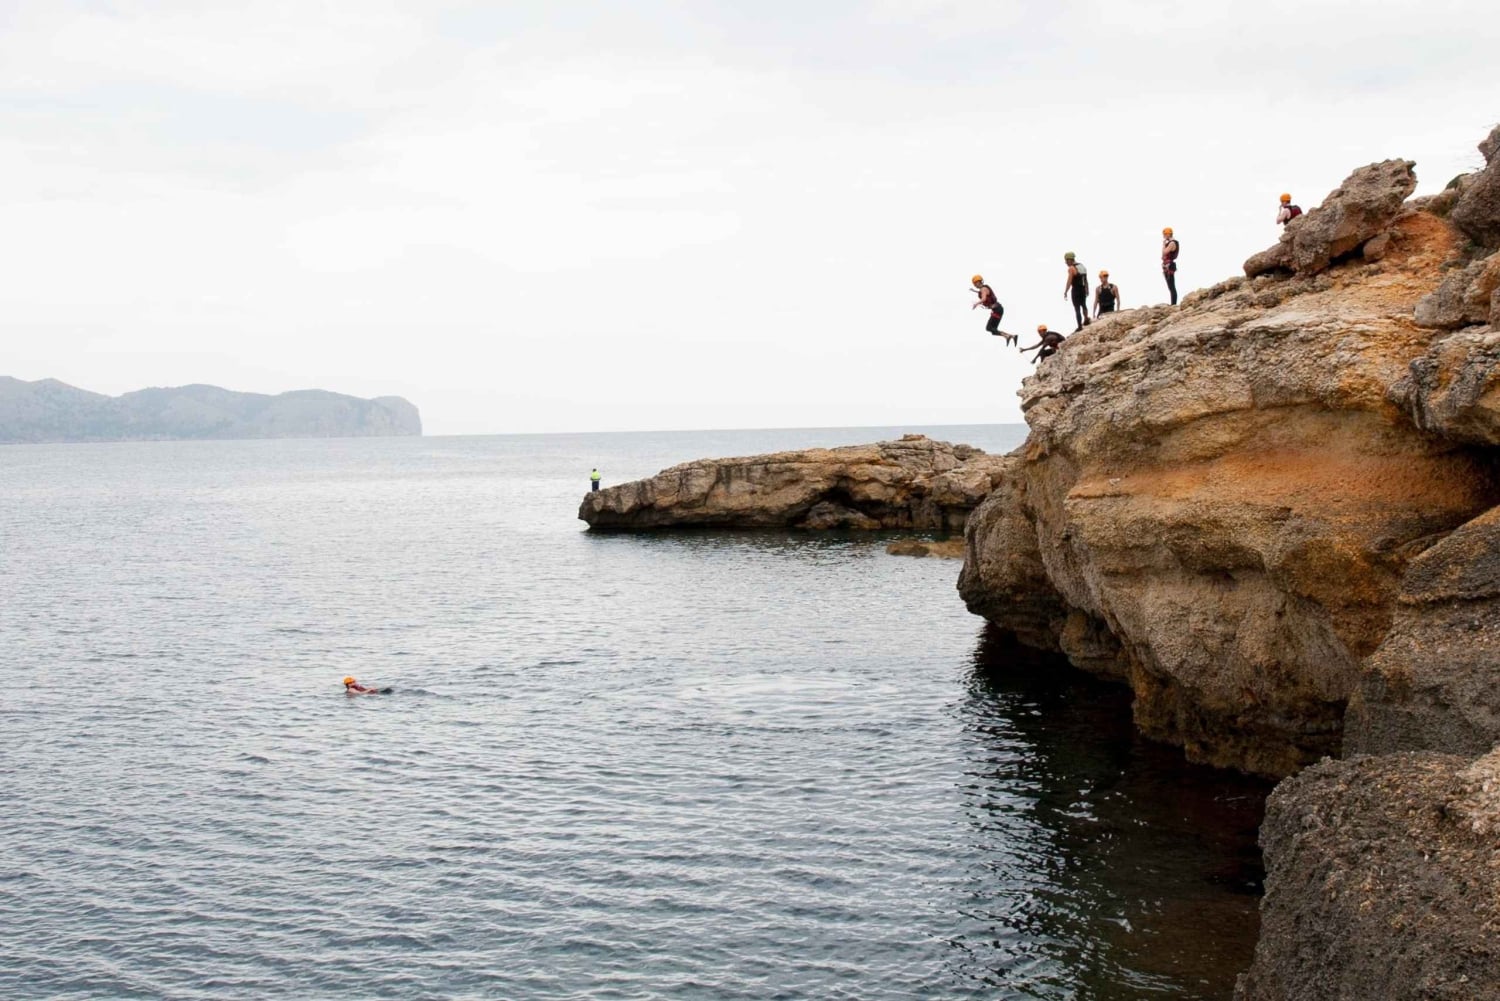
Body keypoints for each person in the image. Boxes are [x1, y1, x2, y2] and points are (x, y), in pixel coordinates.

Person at [970, 274, 1015, 345]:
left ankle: (1008, 336)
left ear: (979, 282)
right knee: (993, 330)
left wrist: (976, 304)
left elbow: (984, 298)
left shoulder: (983, 289)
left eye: (976, 283)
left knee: (989, 328)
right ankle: (1012, 336)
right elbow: (985, 295)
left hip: (997, 310)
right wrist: (974, 291)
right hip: (998, 309)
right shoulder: (983, 289)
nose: (975, 285)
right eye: (974, 284)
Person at [1061, 252, 1090, 330]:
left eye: (1066, 261)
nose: (1066, 263)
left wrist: (1066, 291)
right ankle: (1086, 319)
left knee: (1077, 308)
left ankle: (1080, 326)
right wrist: (1087, 289)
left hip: (1076, 289)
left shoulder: (1071, 268)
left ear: (1070, 259)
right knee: (1084, 304)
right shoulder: (1082, 266)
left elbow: (1069, 281)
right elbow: (1085, 279)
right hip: (1083, 288)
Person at [1161, 228, 1180, 306]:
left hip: (1170, 266)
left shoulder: (1172, 243)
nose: (1164, 236)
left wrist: (1163, 245)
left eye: (1165, 234)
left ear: (1168, 234)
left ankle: (1173, 305)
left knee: (1172, 287)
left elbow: (1164, 252)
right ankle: (1173, 304)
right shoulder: (1170, 243)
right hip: (1167, 266)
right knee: (1170, 287)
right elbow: (1163, 256)